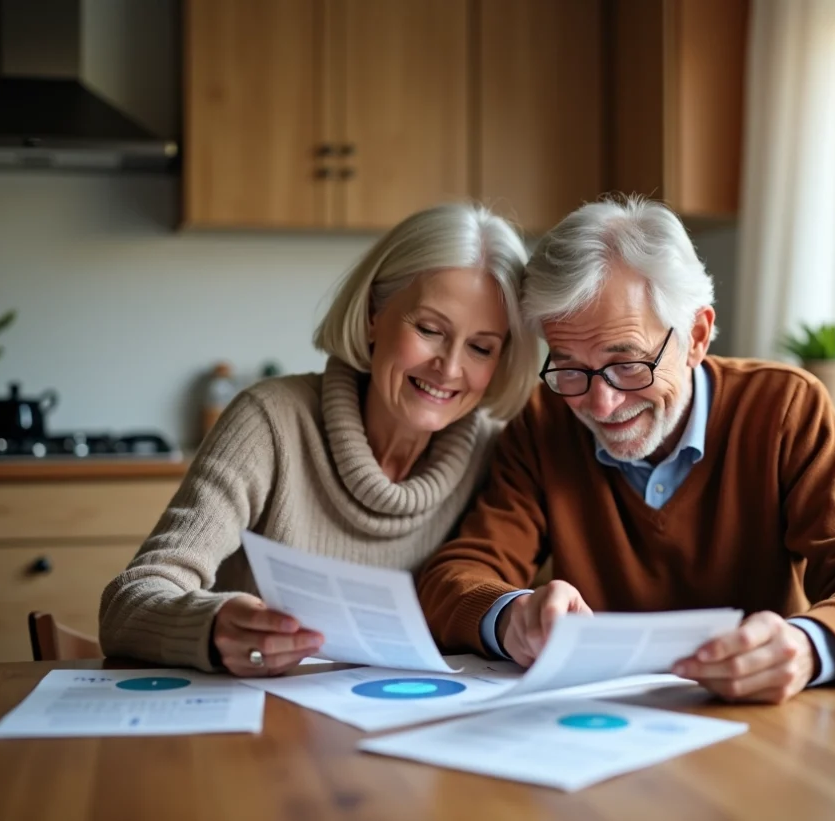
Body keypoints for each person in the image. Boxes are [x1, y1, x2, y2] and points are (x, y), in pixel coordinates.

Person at [415, 196, 835, 704]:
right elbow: (453, 579)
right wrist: (512, 614)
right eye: (569, 365)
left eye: (629, 363)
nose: (601, 401)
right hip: (601, 720)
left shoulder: (784, 407)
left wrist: (807, 646)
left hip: (758, 718)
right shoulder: (543, 420)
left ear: (697, 336)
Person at [100, 203, 539, 677]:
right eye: (430, 329)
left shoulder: (501, 453)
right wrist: (211, 628)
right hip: (263, 732)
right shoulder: (271, 421)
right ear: (373, 314)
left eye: (481, 347)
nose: (450, 368)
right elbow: (130, 602)